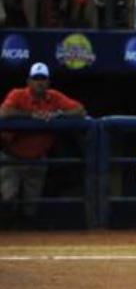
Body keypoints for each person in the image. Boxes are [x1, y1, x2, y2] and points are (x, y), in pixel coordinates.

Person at [0, 62, 86, 228]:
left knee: (31, 206)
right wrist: (32, 115)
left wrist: (57, 114)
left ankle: (26, 236)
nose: (39, 83)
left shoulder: (53, 97)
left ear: (48, 82)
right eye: (36, 79)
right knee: (7, 199)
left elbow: (80, 110)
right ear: (28, 81)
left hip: (37, 160)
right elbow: (4, 112)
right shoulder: (18, 94)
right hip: (12, 158)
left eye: (43, 79)